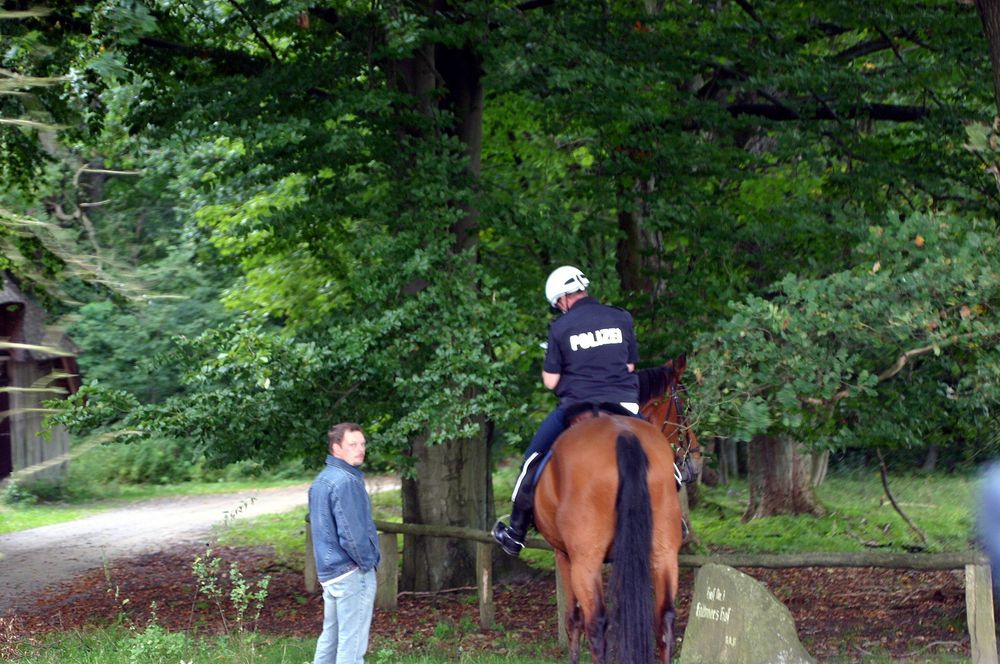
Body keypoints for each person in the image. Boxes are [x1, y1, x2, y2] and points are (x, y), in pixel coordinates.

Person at [493, 265, 639, 557]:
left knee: (531, 461)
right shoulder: (621, 317)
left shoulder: (561, 328)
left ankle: (515, 533)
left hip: (579, 407)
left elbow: (550, 382)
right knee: (662, 454)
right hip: (624, 406)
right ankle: (675, 519)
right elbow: (630, 367)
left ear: (561, 299)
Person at [309, 422, 381, 664]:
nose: (360, 449)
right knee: (351, 646)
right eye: (352, 444)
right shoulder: (345, 481)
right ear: (336, 448)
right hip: (351, 574)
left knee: (330, 639)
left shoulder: (322, 480)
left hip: (330, 575)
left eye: (362, 444)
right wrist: (367, 563)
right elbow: (352, 536)